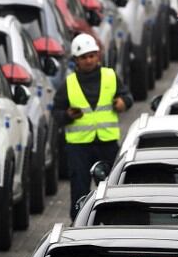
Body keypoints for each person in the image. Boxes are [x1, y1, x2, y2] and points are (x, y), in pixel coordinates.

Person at [52, 34, 132, 220]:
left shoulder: (110, 76)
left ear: (98, 56)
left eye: (92, 56)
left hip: (107, 142)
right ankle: (79, 224)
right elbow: (56, 112)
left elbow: (127, 96)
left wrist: (123, 103)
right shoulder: (69, 83)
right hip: (79, 147)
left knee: (111, 189)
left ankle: (112, 222)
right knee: (79, 189)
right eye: (83, 57)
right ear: (76, 61)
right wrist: (67, 115)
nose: (88, 60)